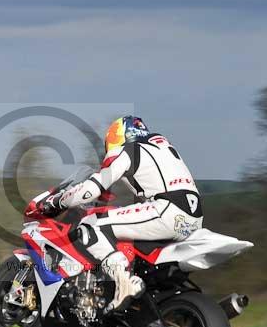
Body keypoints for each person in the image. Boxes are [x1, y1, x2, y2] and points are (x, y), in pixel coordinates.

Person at [39, 116, 203, 313]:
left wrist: (58, 200)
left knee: (92, 224)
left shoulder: (128, 151)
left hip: (167, 210)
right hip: (194, 218)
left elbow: (91, 189)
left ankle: (121, 281)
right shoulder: (163, 146)